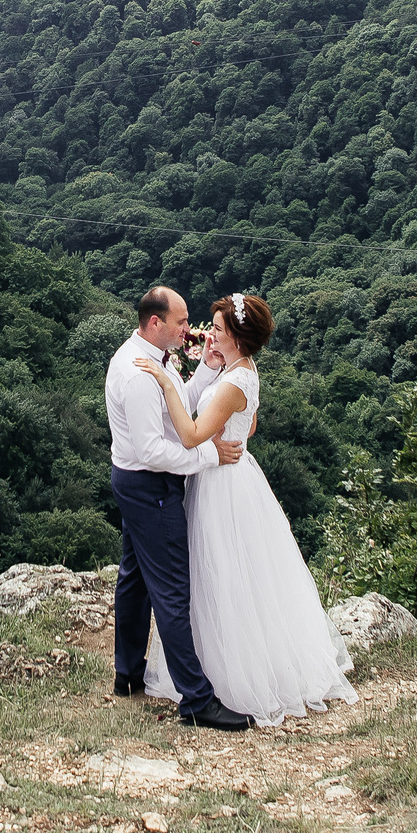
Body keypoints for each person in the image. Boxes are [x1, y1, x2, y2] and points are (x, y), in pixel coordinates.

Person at [128, 292, 360, 728]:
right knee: (239, 576)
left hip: (222, 484)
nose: (208, 333)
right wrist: (218, 393)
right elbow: (249, 424)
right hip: (237, 474)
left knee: (222, 575)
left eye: (216, 329)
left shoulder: (236, 381)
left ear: (235, 335)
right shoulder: (242, 372)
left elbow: (193, 434)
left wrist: (164, 382)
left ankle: (232, 678)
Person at [105, 286, 254, 731]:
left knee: (133, 580)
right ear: (157, 323)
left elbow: (178, 413)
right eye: (182, 322)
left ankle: (127, 674)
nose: (191, 330)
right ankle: (196, 699)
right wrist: (210, 456)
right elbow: (155, 449)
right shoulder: (136, 375)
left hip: (137, 481)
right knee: (172, 590)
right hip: (150, 485)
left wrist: (205, 373)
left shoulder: (154, 361)